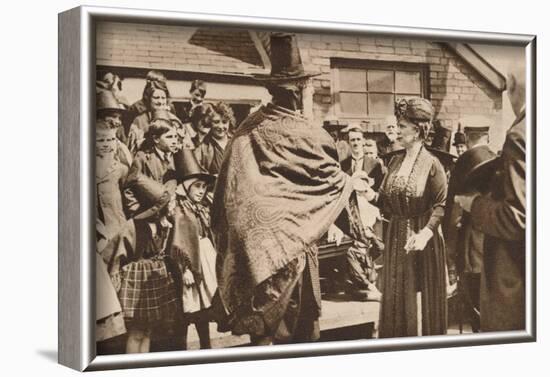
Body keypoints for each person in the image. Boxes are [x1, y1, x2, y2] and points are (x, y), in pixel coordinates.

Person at [211, 33, 371, 345]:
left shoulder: (247, 127)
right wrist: (353, 186)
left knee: (263, 332)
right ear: (299, 91)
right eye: (307, 87)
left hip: (254, 251)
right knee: (300, 332)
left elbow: (225, 191)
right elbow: (331, 182)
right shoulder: (309, 133)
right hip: (293, 250)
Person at [455, 61, 526, 331]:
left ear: (512, 89)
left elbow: (517, 217)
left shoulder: (520, 135)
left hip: (516, 282)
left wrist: (473, 204)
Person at [377, 97, 448, 338]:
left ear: (417, 131)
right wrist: (366, 193)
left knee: (416, 302)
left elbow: (441, 205)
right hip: (396, 238)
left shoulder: (433, 164)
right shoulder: (395, 160)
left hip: (421, 242)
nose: (397, 131)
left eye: (403, 127)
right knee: (395, 297)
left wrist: (426, 233)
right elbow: (385, 200)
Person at [444, 119, 496, 333]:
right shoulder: (497, 160)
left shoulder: (464, 163)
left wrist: (449, 249)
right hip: (495, 240)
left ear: (465, 136)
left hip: (471, 244)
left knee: (474, 300)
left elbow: (453, 211)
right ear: (488, 136)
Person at [118, 176, 179, 353]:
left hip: (155, 277)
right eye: (169, 203)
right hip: (137, 279)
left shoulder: (164, 226)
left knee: (148, 329)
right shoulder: (133, 227)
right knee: (137, 330)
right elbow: (117, 253)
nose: (172, 206)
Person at [170, 149, 217, 349]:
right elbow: (180, 241)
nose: (201, 191)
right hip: (190, 261)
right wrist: (185, 268)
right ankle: (181, 350)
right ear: (186, 187)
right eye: (197, 186)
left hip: (205, 256)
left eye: (204, 187)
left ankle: (206, 347)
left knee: (204, 308)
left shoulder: (201, 206)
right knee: (188, 308)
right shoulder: (181, 210)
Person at [124, 118, 179, 218]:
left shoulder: (177, 158)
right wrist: (136, 211)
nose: (174, 141)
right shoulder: (143, 157)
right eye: (169, 137)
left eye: (176, 137)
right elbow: (129, 187)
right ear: (156, 139)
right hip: (148, 213)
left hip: (170, 214)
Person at [127, 79, 172, 154]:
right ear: (149, 99)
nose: (160, 102)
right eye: (156, 98)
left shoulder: (173, 119)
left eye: (163, 98)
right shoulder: (139, 121)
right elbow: (133, 148)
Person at [193, 102, 235, 175]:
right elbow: (198, 172)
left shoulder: (235, 141)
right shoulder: (203, 146)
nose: (221, 126)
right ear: (209, 123)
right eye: (216, 122)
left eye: (224, 122)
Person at [96, 90, 133, 168]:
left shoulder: (120, 145)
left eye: (119, 118)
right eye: (113, 116)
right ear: (99, 118)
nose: (117, 122)